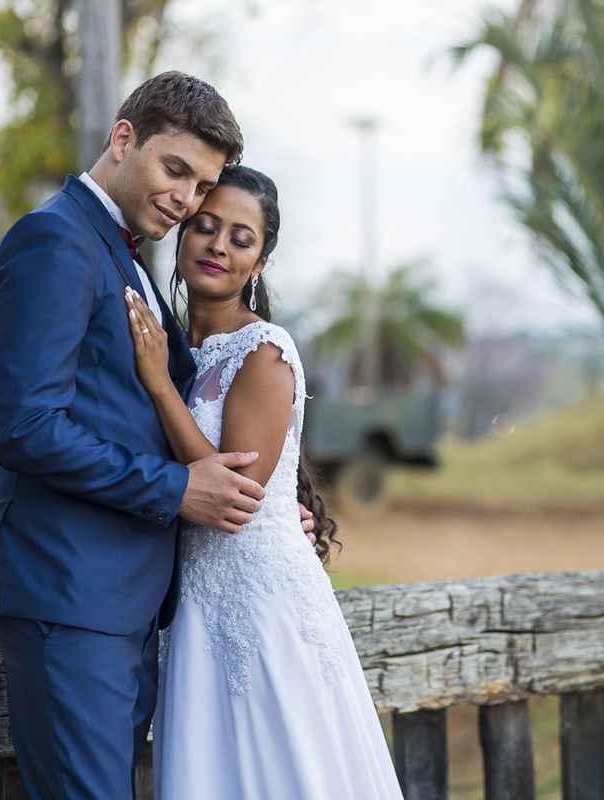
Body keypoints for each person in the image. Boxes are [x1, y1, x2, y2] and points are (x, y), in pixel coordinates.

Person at [0, 72, 311, 799]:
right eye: (175, 169)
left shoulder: (124, 255)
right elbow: (26, 426)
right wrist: (182, 490)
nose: (185, 198)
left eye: (201, 185)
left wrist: (263, 513)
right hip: (74, 605)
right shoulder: (55, 241)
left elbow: (123, 413)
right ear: (122, 138)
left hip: (124, 610)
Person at [123, 164, 405, 799]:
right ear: (182, 232)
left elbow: (235, 496)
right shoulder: (169, 344)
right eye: (205, 226)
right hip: (192, 608)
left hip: (260, 606)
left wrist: (158, 385)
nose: (218, 245)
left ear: (260, 261)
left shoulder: (264, 353)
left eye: (240, 238)